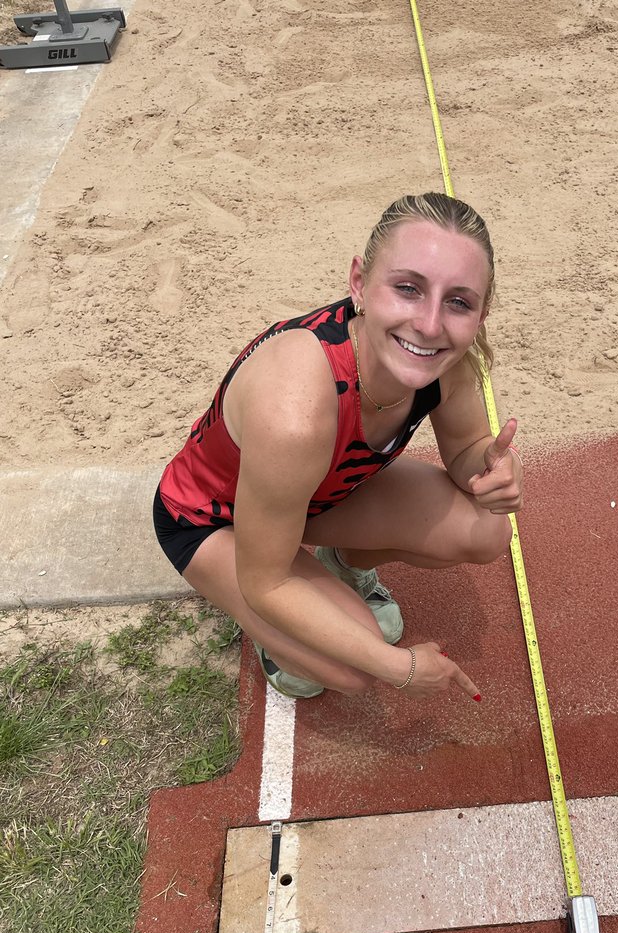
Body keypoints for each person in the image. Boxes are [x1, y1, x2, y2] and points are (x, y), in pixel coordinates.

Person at [153, 192, 523, 702]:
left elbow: (466, 449)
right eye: (409, 288)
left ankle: (340, 562)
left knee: (486, 530)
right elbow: (267, 581)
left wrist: (490, 469)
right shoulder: (297, 408)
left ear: (481, 315)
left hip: (312, 497)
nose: (431, 324)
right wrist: (403, 668)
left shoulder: (450, 364)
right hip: (212, 516)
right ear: (360, 283)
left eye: (458, 301)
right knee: (348, 669)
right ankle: (271, 639)